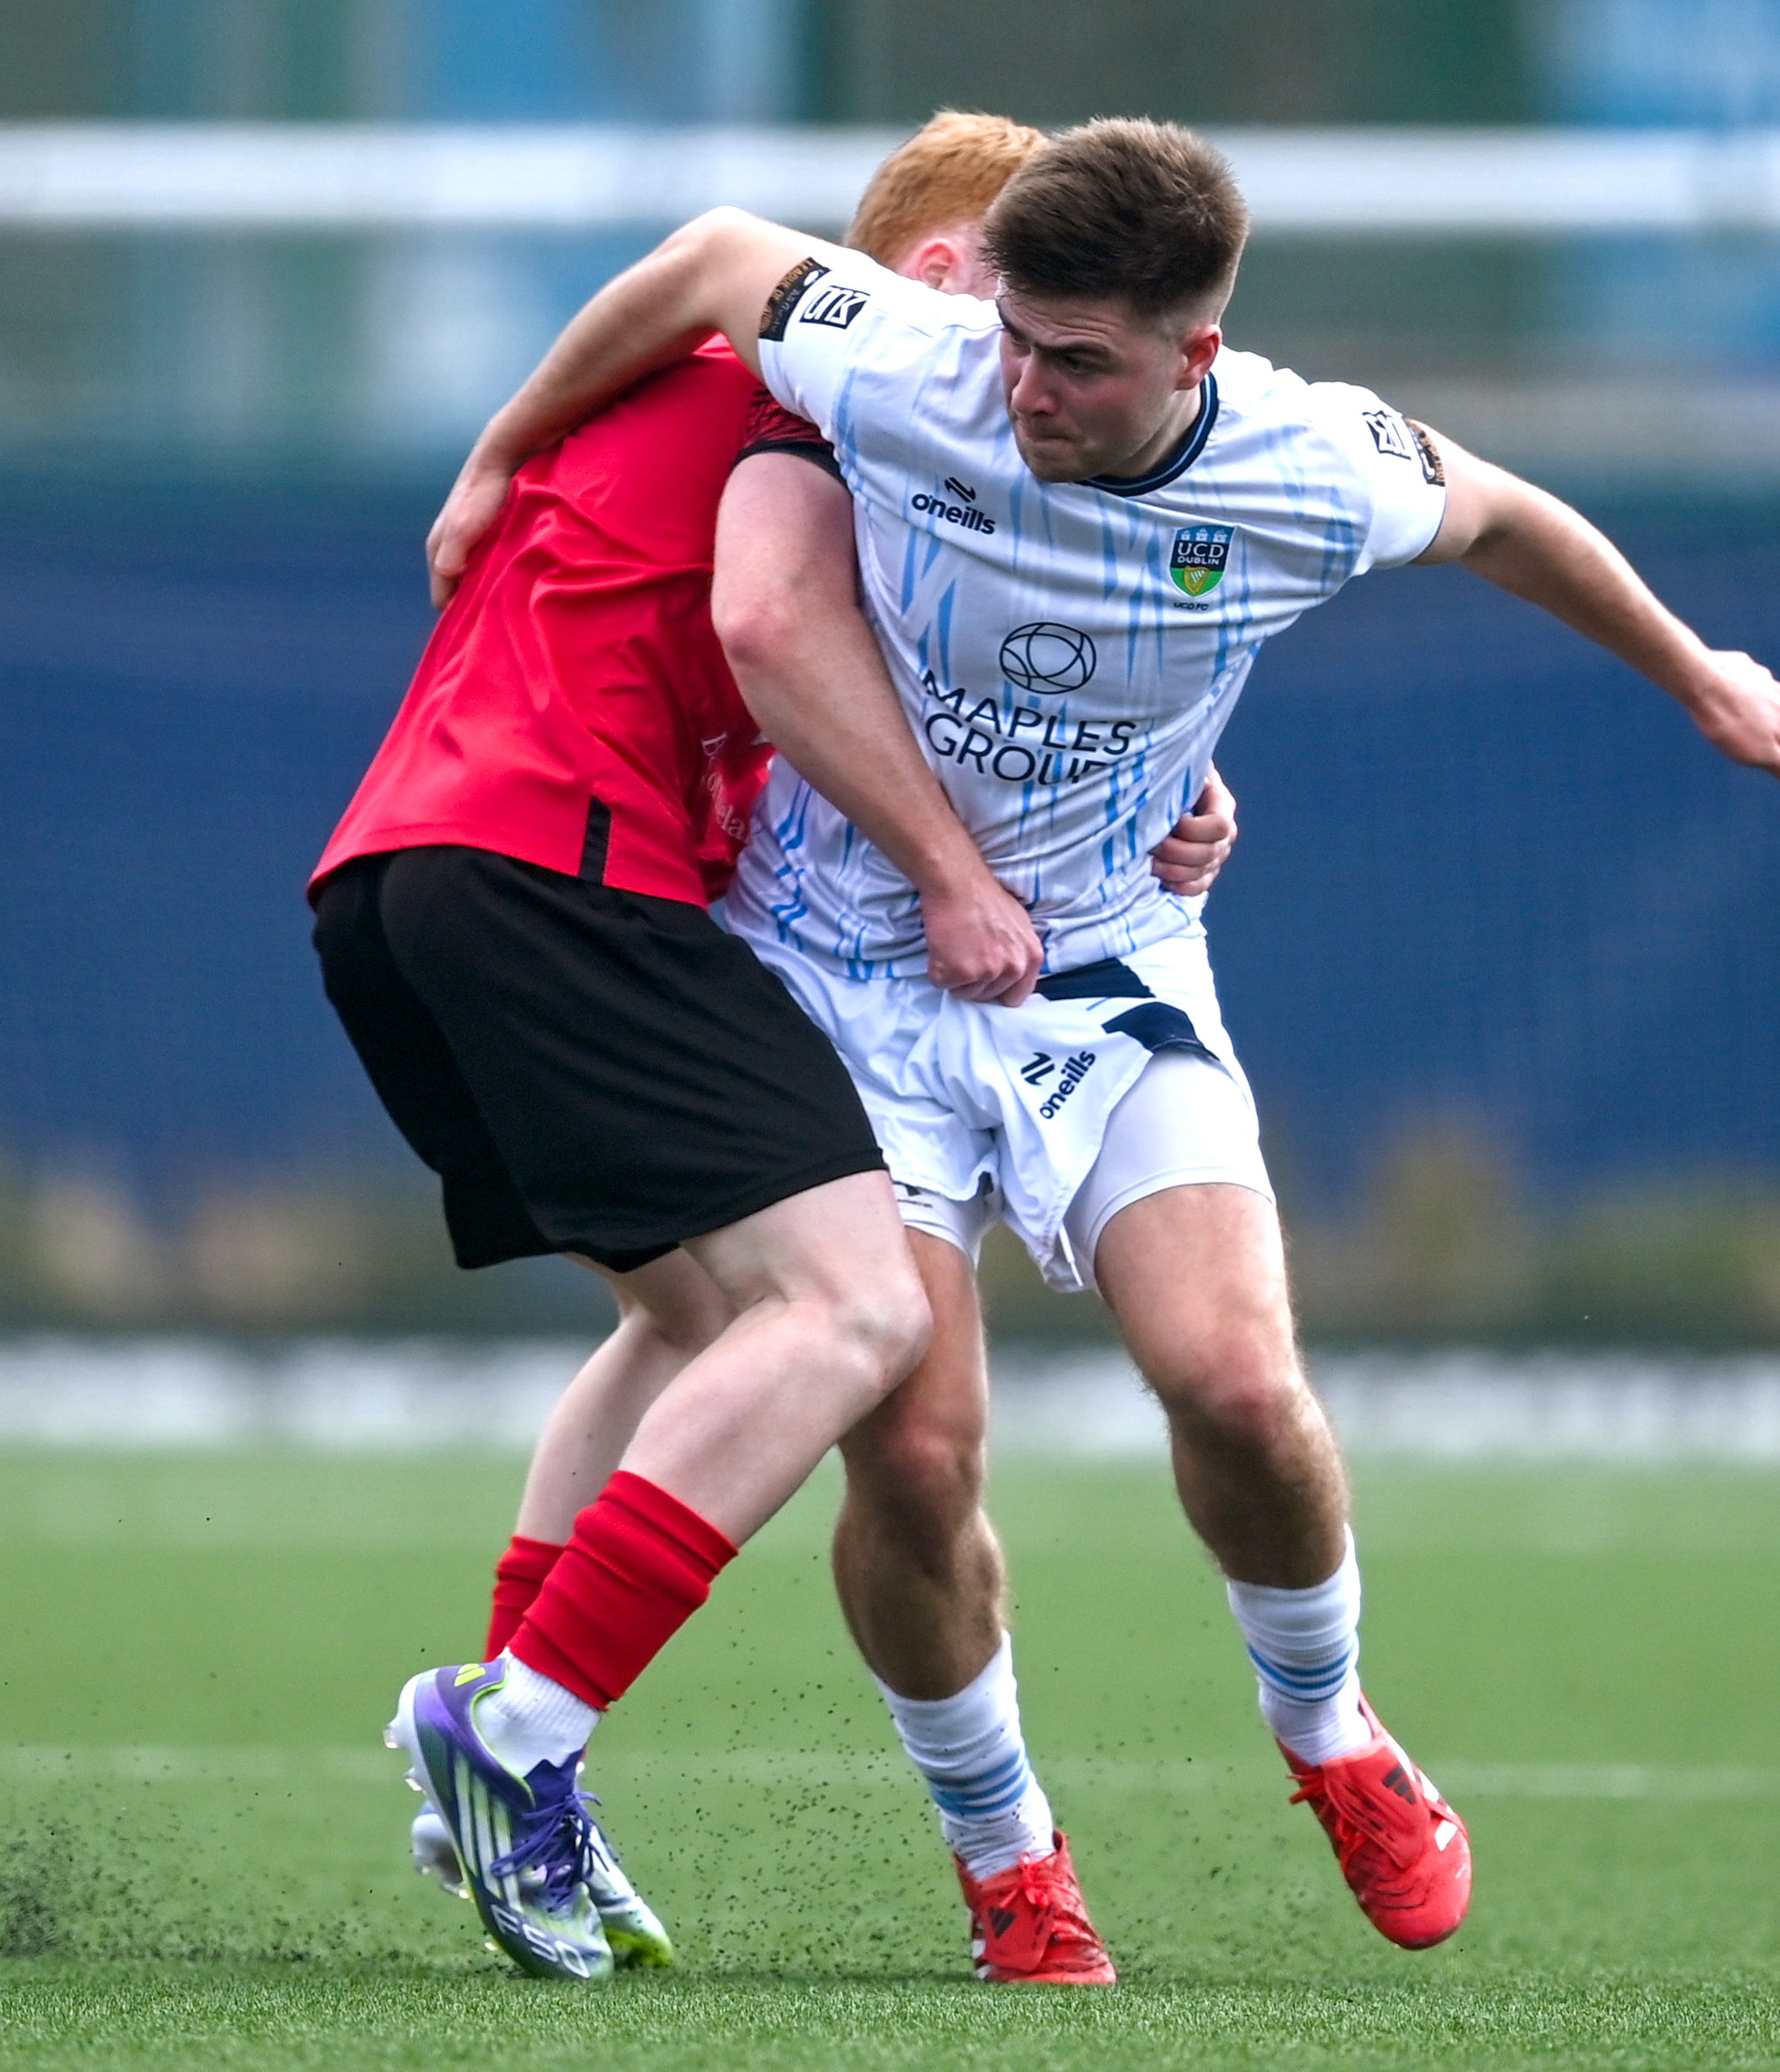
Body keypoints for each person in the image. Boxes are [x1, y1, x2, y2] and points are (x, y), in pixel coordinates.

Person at [426, 116, 1780, 1966]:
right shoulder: (918, 362)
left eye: (1076, 362)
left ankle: (1327, 1728)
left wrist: (1695, 671)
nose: (1022, 387)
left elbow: (1505, 517)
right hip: (838, 977)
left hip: (1100, 968)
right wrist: (500, 446)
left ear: (1194, 353)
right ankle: (1007, 1862)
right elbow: (705, 256)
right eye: (1013, 338)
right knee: (913, 1455)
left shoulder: (1305, 461)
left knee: (1235, 1384)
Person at [313, 113, 1236, 1982]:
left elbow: (930, 680)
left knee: (686, 1317)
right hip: (560, 867)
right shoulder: (820, 391)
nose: (1013, 369)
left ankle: (506, 1756)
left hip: (394, 885)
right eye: (1002, 301)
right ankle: (517, 1728)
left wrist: (1168, 783)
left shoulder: (739, 415)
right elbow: (722, 305)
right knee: (855, 1308)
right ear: (931, 274)